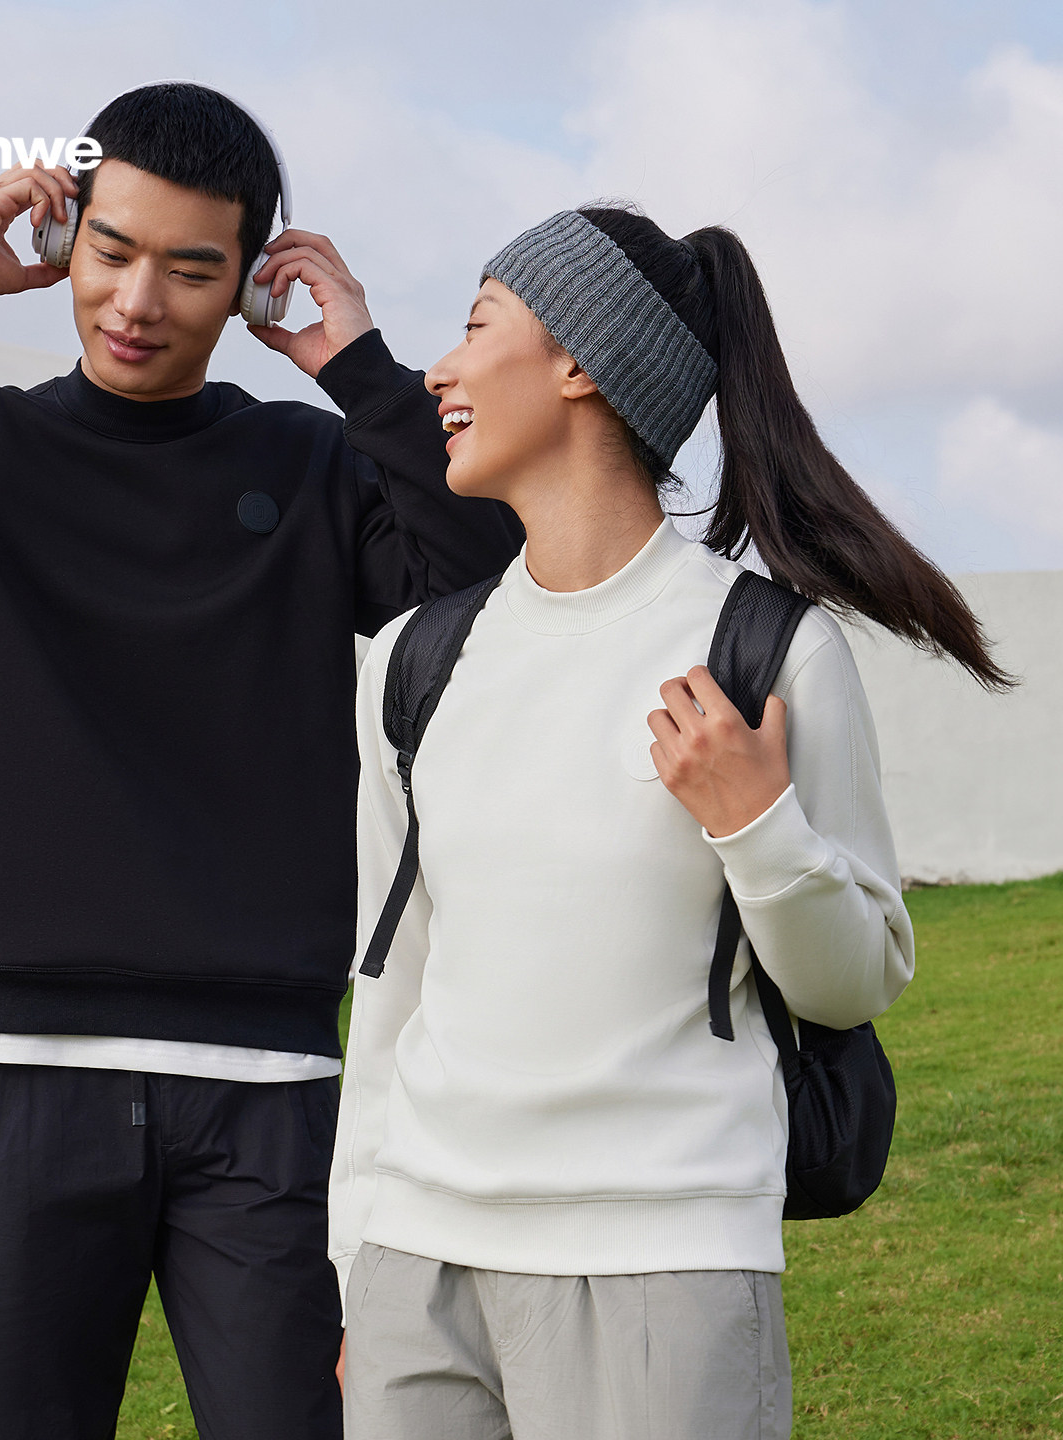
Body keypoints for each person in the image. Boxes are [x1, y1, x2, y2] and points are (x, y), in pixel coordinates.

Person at [0, 83, 521, 1440]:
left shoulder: (312, 467)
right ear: (65, 237)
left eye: (190, 269)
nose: (138, 300)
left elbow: (487, 565)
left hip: (268, 1096)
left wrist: (357, 365)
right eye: (111, 250)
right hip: (28, 1081)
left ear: (247, 285)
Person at [330, 204, 1011, 1439]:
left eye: (477, 326)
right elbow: (393, 988)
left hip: (661, 1258)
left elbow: (858, 979)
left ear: (581, 362)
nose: (440, 370)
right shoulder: (416, 661)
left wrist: (758, 825)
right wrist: (356, 1261)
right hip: (416, 1270)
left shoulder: (766, 652)